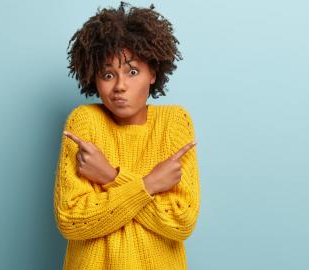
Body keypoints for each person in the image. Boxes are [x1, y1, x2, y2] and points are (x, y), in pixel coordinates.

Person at [53, 2, 200, 269]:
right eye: (108, 74)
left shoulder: (174, 123)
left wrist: (109, 176)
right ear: (94, 78)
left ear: (153, 73)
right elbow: (72, 220)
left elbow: (180, 221)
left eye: (133, 72)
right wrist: (150, 185)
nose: (120, 86)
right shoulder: (84, 122)